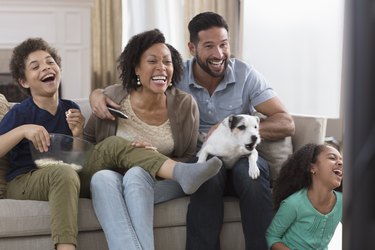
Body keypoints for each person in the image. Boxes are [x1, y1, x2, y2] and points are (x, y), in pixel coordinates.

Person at [90, 12, 295, 250]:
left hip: (242, 156)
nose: (219, 54)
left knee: (251, 176)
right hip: (202, 159)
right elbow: (135, 86)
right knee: (205, 175)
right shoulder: (175, 75)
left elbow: (286, 122)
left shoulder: (245, 74)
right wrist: (96, 94)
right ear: (192, 48)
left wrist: (232, 132)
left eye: (224, 44)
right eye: (209, 46)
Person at [0, 37, 221, 250]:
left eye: (50, 62)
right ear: (23, 81)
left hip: (67, 173)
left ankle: (181, 172)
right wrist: (23, 130)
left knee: (114, 143)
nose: (46, 68)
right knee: (63, 173)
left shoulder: (70, 109)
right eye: (35, 66)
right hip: (25, 180)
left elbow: (76, 158)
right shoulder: (21, 112)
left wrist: (77, 133)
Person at [86, 29, 218, 250]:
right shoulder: (113, 97)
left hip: (162, 181)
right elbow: (90, 144)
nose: (161, 68)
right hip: (114, 176)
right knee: (101, 178)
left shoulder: (185, 104)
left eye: (167, 62)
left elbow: (188, 155)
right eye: (152, 61)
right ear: (137, 68)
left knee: (137, 175)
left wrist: (154, 160)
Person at [266, 143, 343, 249]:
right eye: (332, 158)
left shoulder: (343, 202)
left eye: (341, 160)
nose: (340, 163)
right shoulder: (293, 203)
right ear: (312, 168)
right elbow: (272, 236)